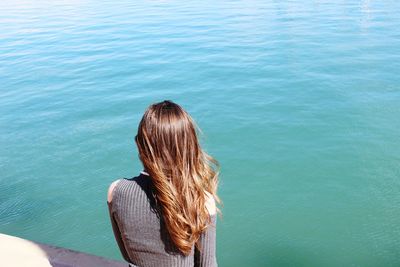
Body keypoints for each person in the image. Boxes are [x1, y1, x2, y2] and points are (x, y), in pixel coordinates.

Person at [107, 100, 220, 267]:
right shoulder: (201, 200)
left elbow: (127, 255)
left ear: (140, 145)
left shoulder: (115, 191)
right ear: (189, 147)